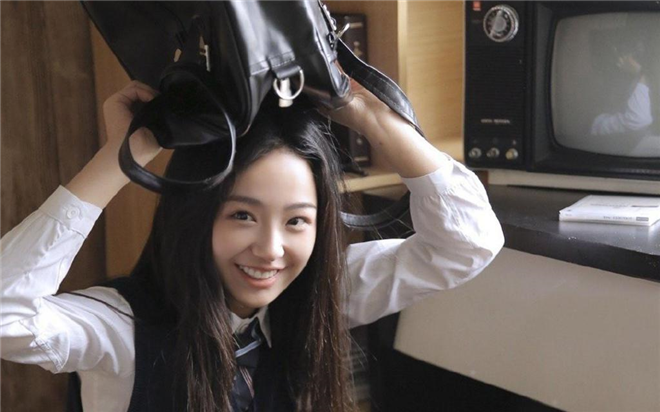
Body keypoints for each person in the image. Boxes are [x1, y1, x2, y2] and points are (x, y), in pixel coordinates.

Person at [0, 78, 504, 412]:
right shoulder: (122, 329)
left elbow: (468, 242)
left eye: (297, 221)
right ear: (195, 214)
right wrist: (119, 157)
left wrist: (370, 115)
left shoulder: (316, 292)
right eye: (243, 215)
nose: (271, 250)